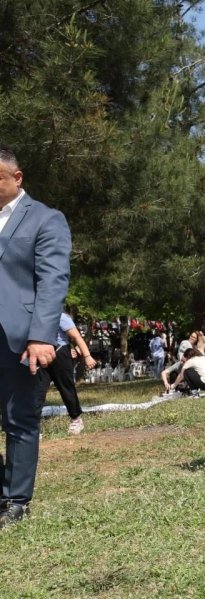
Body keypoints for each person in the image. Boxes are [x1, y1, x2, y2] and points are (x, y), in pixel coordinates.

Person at [0, 145, 71, 528]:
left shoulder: (46, 218)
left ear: (17, 177)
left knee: (19, 419)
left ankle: (16, 501)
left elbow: (52, 280)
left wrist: (41, 336)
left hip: (21, 337)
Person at [36, 312, 97, 434]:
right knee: (37, 391)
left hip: (60, 354)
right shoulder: (33, 317)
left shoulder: (60, 316)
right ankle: (34, 427)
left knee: (66, 388)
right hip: (41, 355)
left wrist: (87, 356)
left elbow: (77, 337)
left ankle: (76, 419)